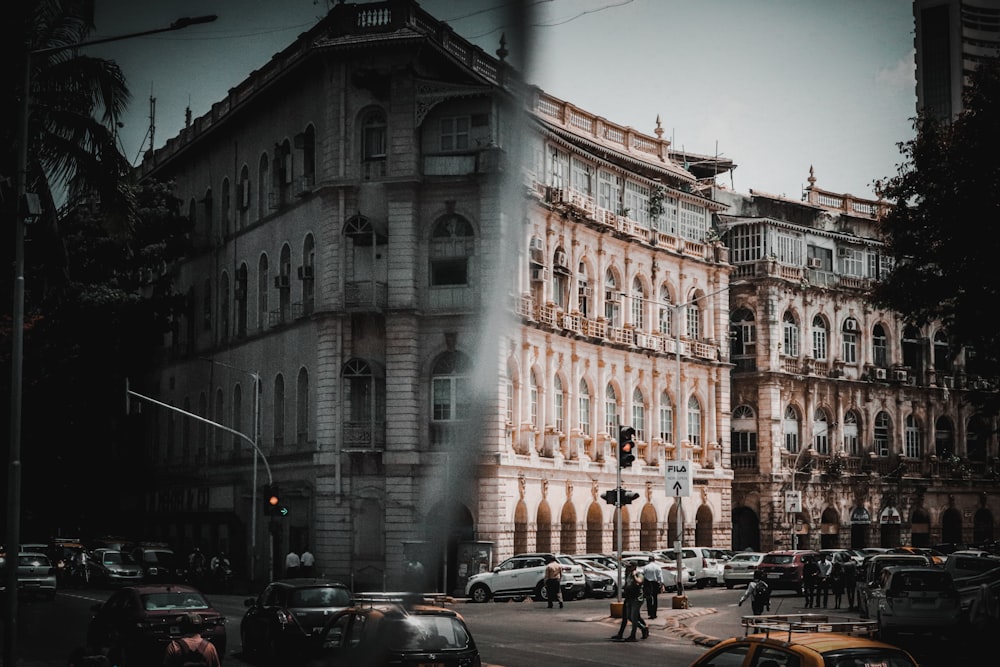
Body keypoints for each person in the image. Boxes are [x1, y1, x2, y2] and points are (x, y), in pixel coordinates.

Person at [611, 564, 648, 641]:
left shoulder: (638, 574)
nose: (628, 568)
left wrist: (634, 576)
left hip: (637, 598)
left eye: (630, 566)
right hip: (629, 598)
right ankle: (643, 628)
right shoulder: (628, 575)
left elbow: (639, 582)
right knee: (629, 617)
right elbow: (627, 585)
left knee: (634, 618)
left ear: (634, 567)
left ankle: (633, 635)